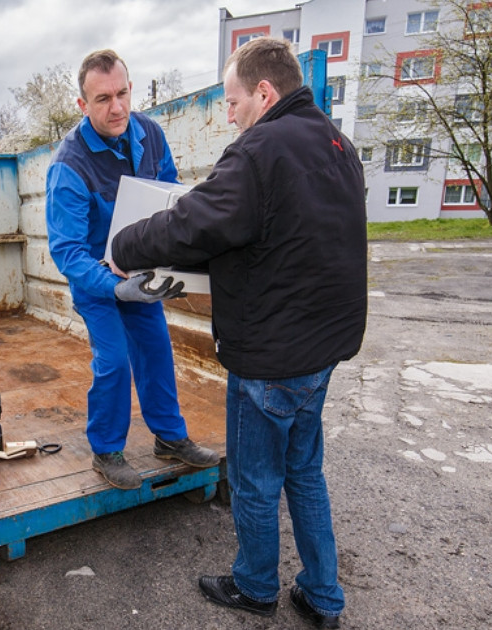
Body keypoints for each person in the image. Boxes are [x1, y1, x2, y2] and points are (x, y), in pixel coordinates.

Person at [111, 37, 367, 628]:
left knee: (255, 479)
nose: (229, 114)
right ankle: (323, 597)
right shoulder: (338, 144)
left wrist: (125, 246)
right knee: (305, 472)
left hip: (271, 356)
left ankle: (255, 586)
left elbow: (194, 223)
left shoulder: (260, 149)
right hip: (323, 350)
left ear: (264, 92)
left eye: (231, 101)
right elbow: (280, 235)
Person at [45, 49, 219, 490]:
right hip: (96, 279)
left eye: (122, 93)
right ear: (83, 106)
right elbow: (67, 251)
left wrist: (175, 267)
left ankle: (169, 437)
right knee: (115, 360)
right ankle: (106, 450)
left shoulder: (150, 134)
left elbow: (171, 199)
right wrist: (114, 287)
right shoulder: (69, 165)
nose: (117, 107)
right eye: (102, 99)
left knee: (157, 349)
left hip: (140, 274)